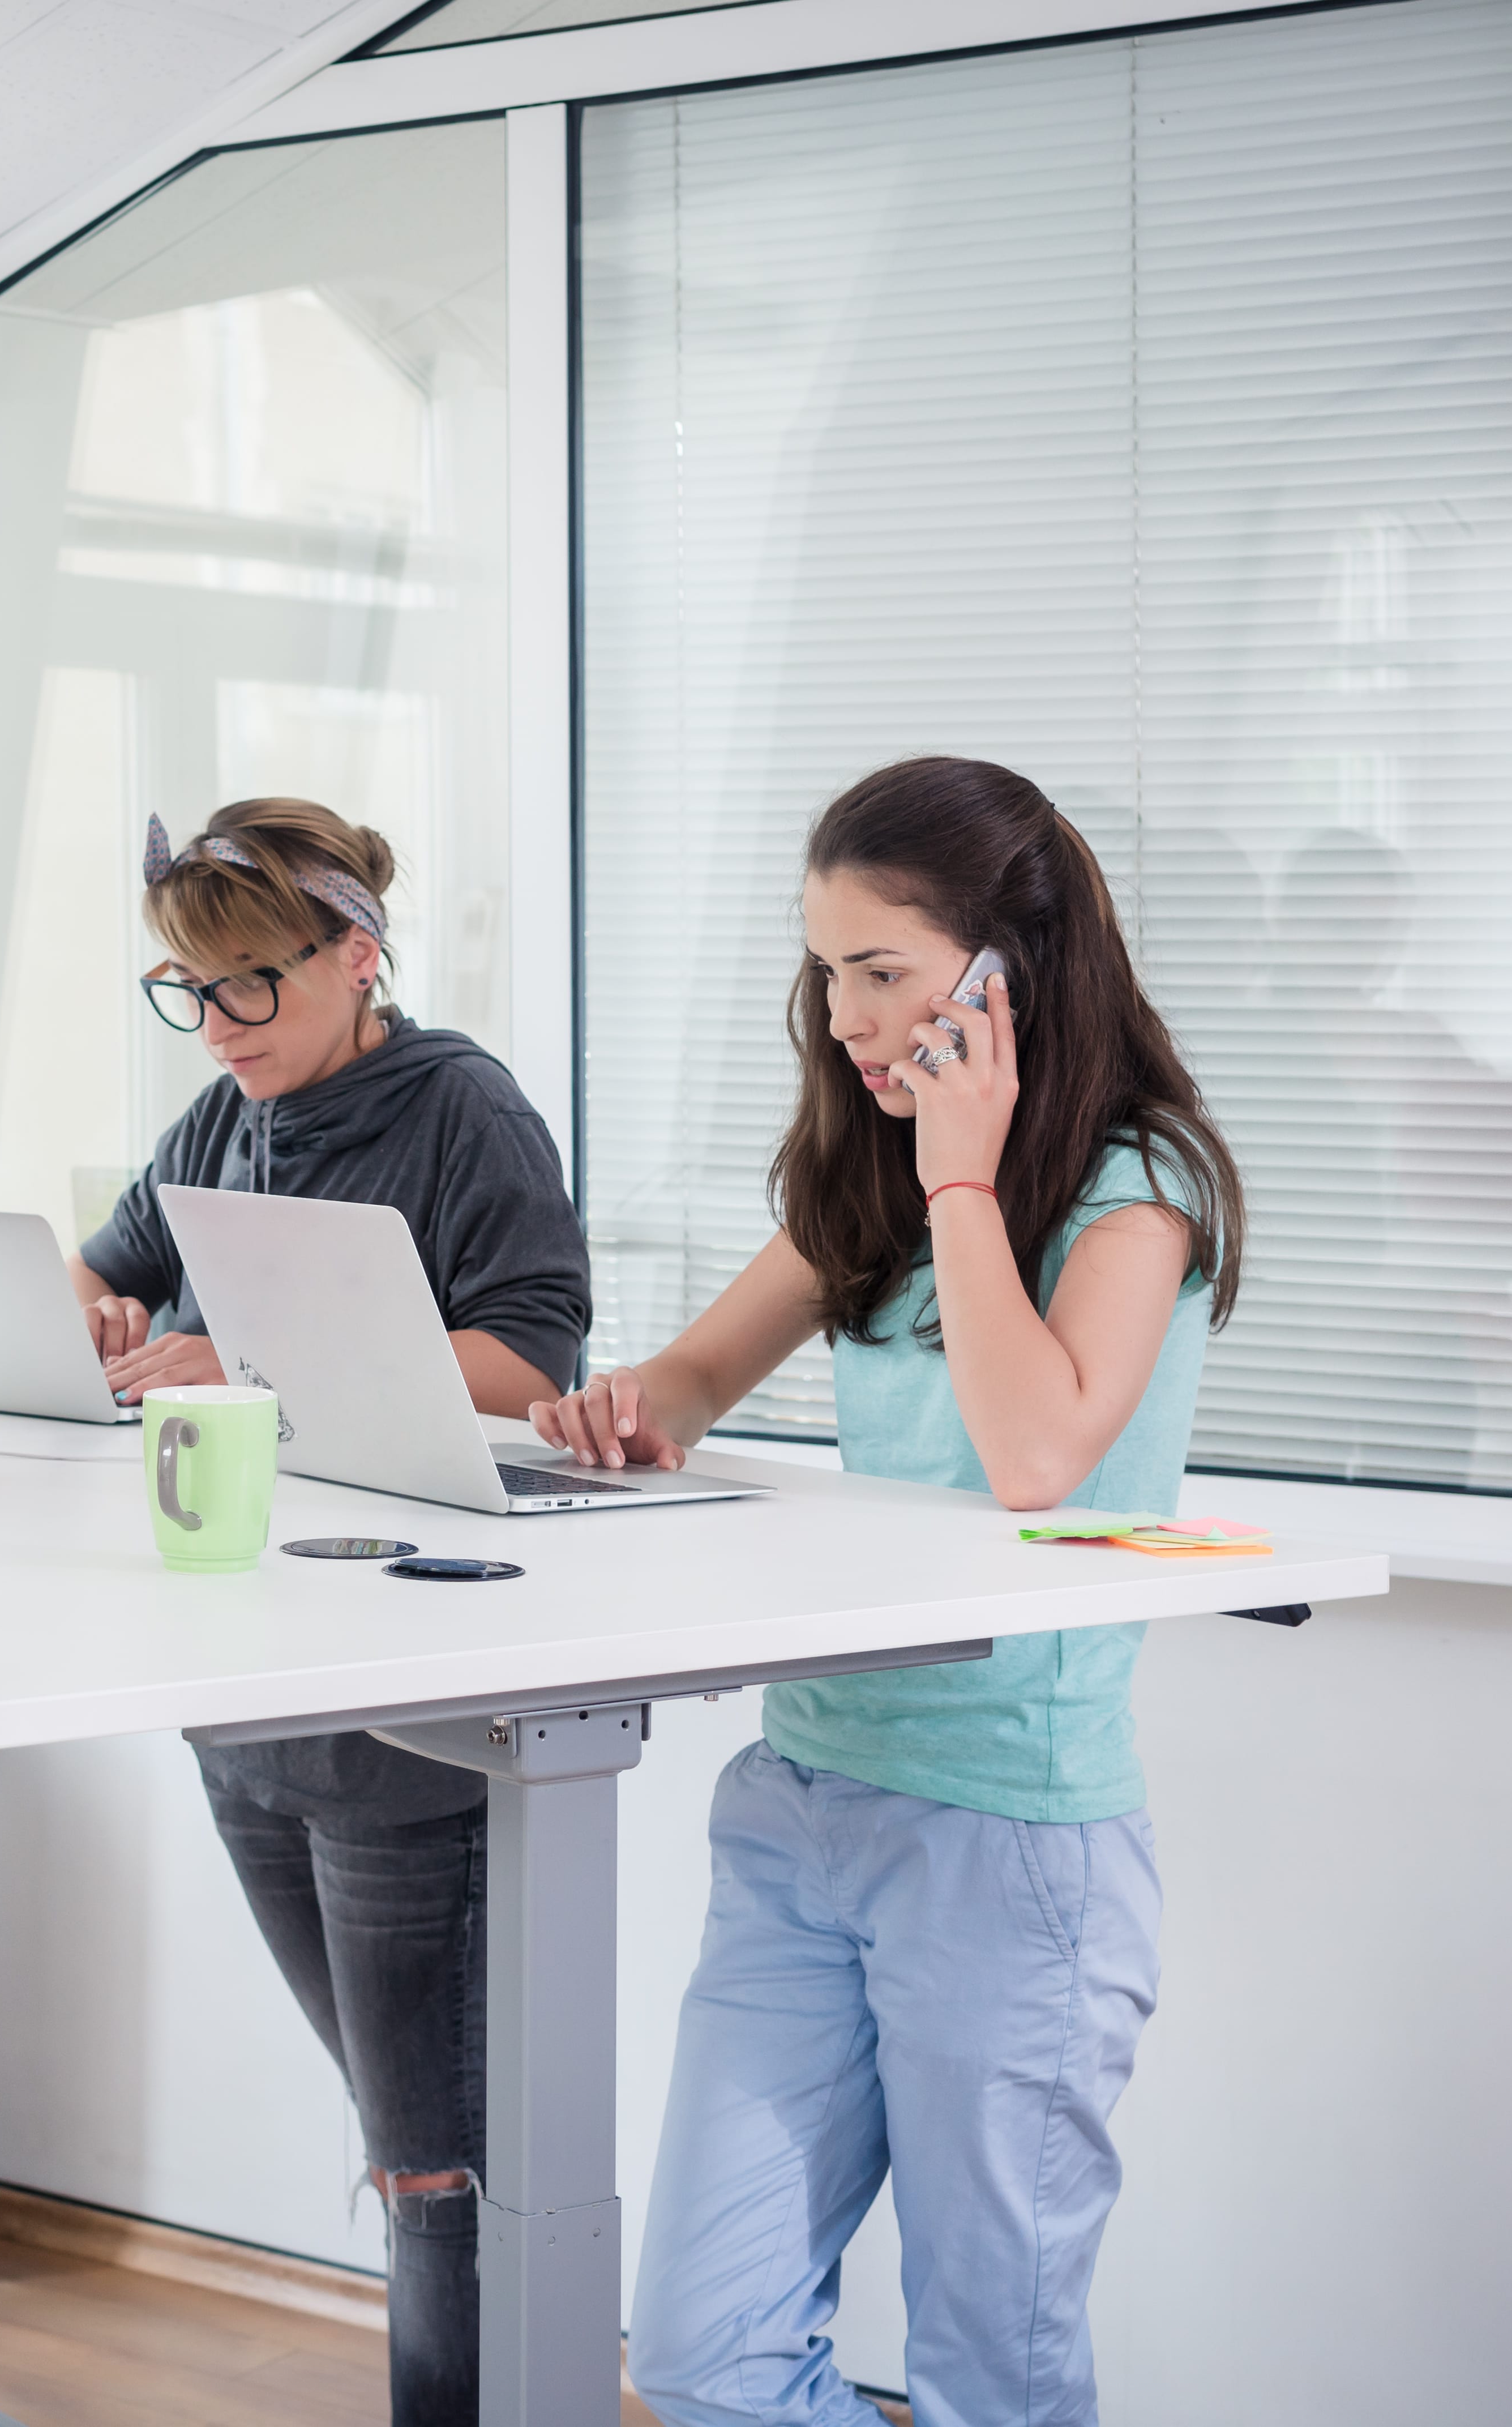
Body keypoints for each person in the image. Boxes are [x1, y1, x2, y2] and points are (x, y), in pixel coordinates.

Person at [528, 757, 1244, 2427]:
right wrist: (622, 1409)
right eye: (826, 971)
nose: (846, 1015)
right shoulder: (865, 1177)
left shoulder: (1138, 1191)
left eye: (885, 971)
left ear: (1010, 972)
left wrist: (966, 1173)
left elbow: (1038, 1455)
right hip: (806, 1803)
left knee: (997, 2373)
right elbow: (693, 1379)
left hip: (1010, 1841)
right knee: (704, 2350)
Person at [66, 796, 590, 2427]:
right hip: (243, 1693)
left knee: (434, 2158)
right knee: (400, 2131)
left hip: (398, 1710)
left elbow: (530, 1366)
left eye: (248, 990)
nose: (218, 1031)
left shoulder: (463, 1114)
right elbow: (114, 1271)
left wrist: (251, 1365)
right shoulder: (221, 1125)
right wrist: (88, 1311)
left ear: (357, 958)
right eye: (188, 993)